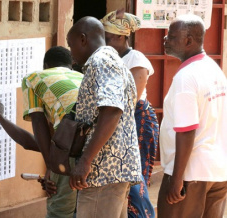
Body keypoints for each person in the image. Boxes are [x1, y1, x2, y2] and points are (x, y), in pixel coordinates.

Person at [0, 46, 84, 218]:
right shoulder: (81, 78)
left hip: (72, 150)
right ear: (71, 65)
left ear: (46, 65)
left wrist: (51, 169)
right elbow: (35, 142)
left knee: (59, 212)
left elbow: (38, 124)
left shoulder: (34, 79)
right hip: (97, 148)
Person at [67, 16, 142, 218]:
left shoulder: (102, 62)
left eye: (71, 45)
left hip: (104, 172)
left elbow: (112, 110)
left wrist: (85, 160)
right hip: (111, 172)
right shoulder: (109, 61)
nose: (71, 53)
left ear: (83, 39)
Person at [158, 14, 227, 218]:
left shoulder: (186, 77)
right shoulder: (213, 69)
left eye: (171, 36)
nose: (165, 40)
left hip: (191, 173)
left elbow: (187, 130)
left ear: (188, 40)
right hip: (217, 171)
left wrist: (177, 178)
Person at [101, 9, 159, 218]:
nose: (103, 42)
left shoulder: (136, 59)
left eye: (107, 38)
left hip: (136, 119)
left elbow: (130, 100)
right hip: (119, 121)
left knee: (135, 177)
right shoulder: (108, 58)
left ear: (120, 36)